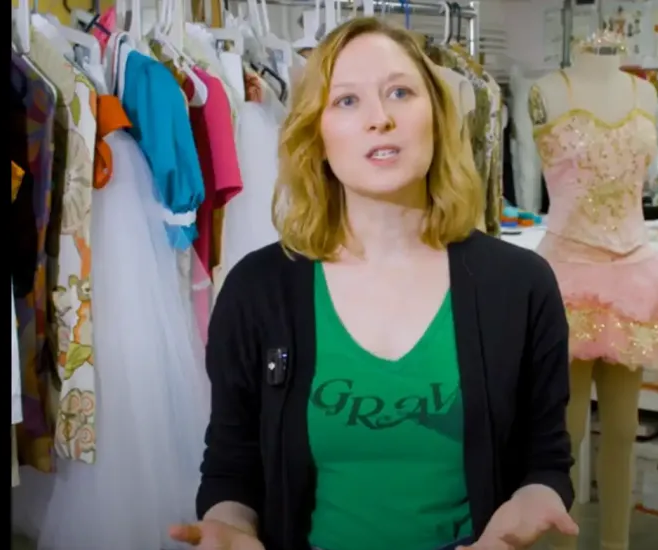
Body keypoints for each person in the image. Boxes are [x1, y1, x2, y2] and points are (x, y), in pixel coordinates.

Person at [168, 16, 577, 550]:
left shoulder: (520, 285)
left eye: (400, 93)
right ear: (316, 133)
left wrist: (536, 498)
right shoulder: (258, 289)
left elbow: (545, 459)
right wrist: (230, 527)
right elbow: (231, 464)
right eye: (347, 101)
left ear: (436, 114)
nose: (379, 119)